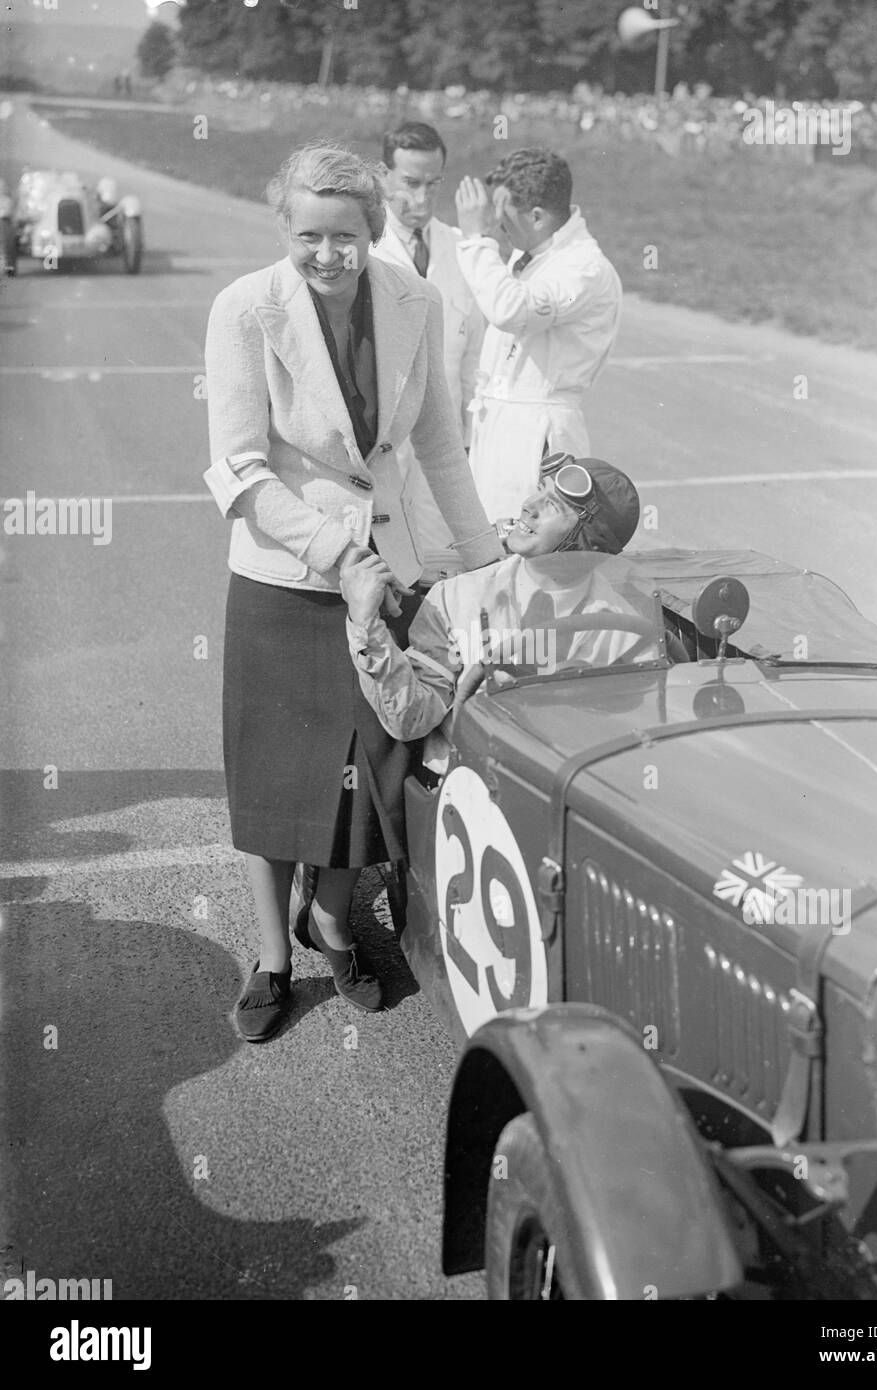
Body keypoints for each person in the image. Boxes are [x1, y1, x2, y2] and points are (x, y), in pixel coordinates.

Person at [203, 141, 503, 1042]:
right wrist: (337, 553)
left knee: (369, 769)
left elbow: (442, 451)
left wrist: (491, 570)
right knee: (274, 779)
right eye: (307, 236)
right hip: (287, 575)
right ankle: (271, 958)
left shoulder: (416, 299)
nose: (326, 255)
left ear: (374, 230)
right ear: (283, 230)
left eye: (344, 236)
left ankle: (329, 920)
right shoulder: (245, 309)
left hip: (388, 570)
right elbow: (241, 471)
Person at [339, 455, 652, 769]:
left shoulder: (625, 634)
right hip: (467, 788)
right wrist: (366, 624)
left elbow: (628, 751)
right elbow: (411, 719)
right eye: (539, 490)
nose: (529, 505)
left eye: (553, 505)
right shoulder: (457, 598)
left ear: (588, 540)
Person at [453, 148, 623, 523]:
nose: (497, 226)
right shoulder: (528, 254)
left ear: (537, 216)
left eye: (504, 216)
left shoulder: (584, 269)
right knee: (489, 548)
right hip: (500, 425)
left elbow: (511, 310)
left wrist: (475, 241)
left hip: (537, 433)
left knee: (530, 551)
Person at [369, 121, 485, 555]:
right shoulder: (364, 249)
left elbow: (473, 354)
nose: (421, 199)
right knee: (385, 565)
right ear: (383, 176)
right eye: (410, 184)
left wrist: (472, 437)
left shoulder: (460, 248)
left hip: (443, 446)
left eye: (433, 185)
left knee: (443, 567)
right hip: (383, 446)